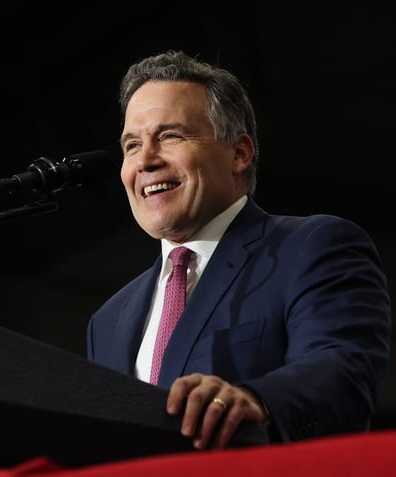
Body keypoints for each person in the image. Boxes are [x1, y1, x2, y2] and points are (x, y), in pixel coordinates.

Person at [86, 50, 392, 450]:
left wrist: (255, 399)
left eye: (170, 136)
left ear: (239, 153)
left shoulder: (311, 247)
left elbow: (343, 370)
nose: (145, 160)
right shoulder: (107, 321)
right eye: (131, 145)